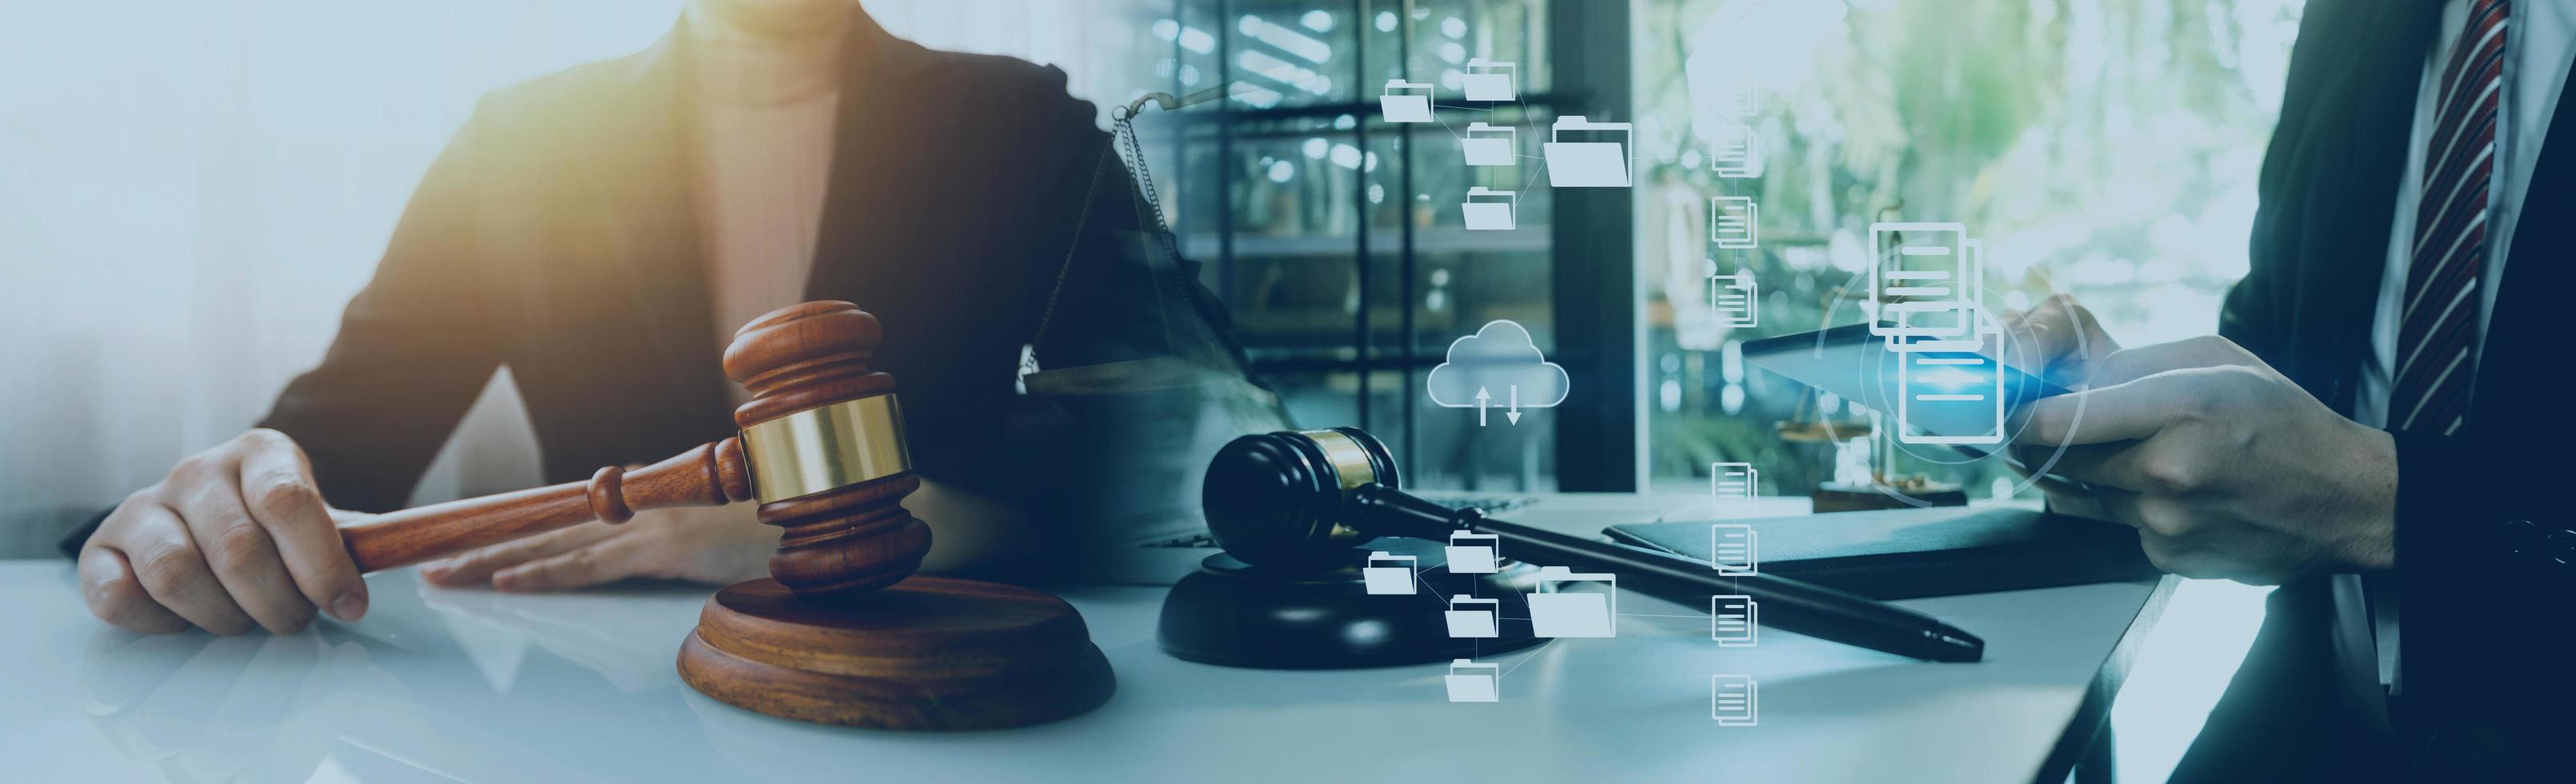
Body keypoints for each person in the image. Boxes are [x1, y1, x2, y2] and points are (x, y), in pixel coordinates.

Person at [62, 0, 1254, 636]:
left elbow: (1201, 436)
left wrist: (929, 518)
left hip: (920, 675)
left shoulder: (1025, 122)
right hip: (598, 696)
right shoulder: (519, 144)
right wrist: (215, 516)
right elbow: (344, 443)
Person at [2000, 0, 2570, 778]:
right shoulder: (2349, 16)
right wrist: (2115, 411)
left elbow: (2330, 472)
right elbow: (2278, 354)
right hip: (2308, 723)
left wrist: (2381, 501)